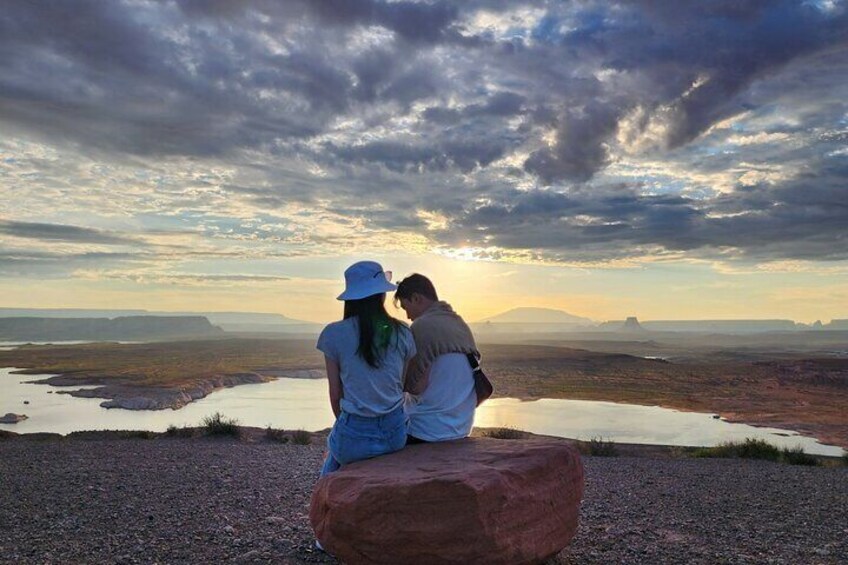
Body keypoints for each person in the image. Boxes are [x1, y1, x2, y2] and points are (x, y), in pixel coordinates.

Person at [316, 260, 416, 476]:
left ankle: (324, 499)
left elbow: (335, 397)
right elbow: (401, 385)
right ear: (381, 295)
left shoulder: (333, 334)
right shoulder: (403, 332)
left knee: (335, 450)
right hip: (395, 437)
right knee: (337, 445)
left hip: (353, 440)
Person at [394, 274, 479, 444]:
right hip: (462, 427)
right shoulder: (459, 324)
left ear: (416, 298)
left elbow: (416, 386)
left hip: (427, 430)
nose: (408, 316)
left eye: (405, 307)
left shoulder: (422, 326)